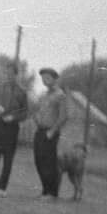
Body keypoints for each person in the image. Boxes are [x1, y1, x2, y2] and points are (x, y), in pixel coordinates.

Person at [0, 61, 29, 196]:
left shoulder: (22, 92)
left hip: (11, 129)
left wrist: (14, 117)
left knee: (8, 159)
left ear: (16, 75)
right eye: (7, 73)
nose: (9, 76)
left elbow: (25, 112)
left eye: (11, 74)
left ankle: (2, 188)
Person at [31, 67, 69, 199]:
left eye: (47, 78)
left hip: (50, 132)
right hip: (40, 131)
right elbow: (38, 111)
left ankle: (52, 193)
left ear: (54, 79)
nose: (44, 80)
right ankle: (45, 191)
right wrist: (36, 118)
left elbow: (64, 116)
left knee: (49, 163)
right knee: (39, 161)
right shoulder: (44, 95)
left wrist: (52, 131)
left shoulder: (60, 95)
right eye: (42, 78)